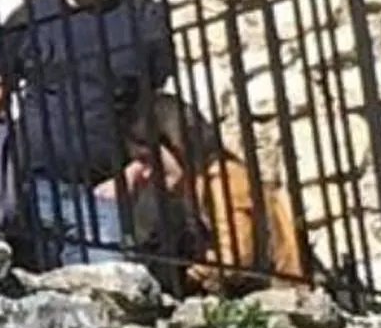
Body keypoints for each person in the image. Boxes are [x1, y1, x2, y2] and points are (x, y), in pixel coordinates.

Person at [0, 0, 173, 263]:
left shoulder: (142, 17)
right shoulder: (31, 18)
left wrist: (134, 173)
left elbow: (156, 111)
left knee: (110, 296)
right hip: (32, 192)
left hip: (103, 192)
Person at [122, 91, 306, 296]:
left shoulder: (224, 180)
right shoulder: (197, 185)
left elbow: (236, 259)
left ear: (176, 146)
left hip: (281, 294)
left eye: (148, 159)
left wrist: (193, 273)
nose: (145, 172)